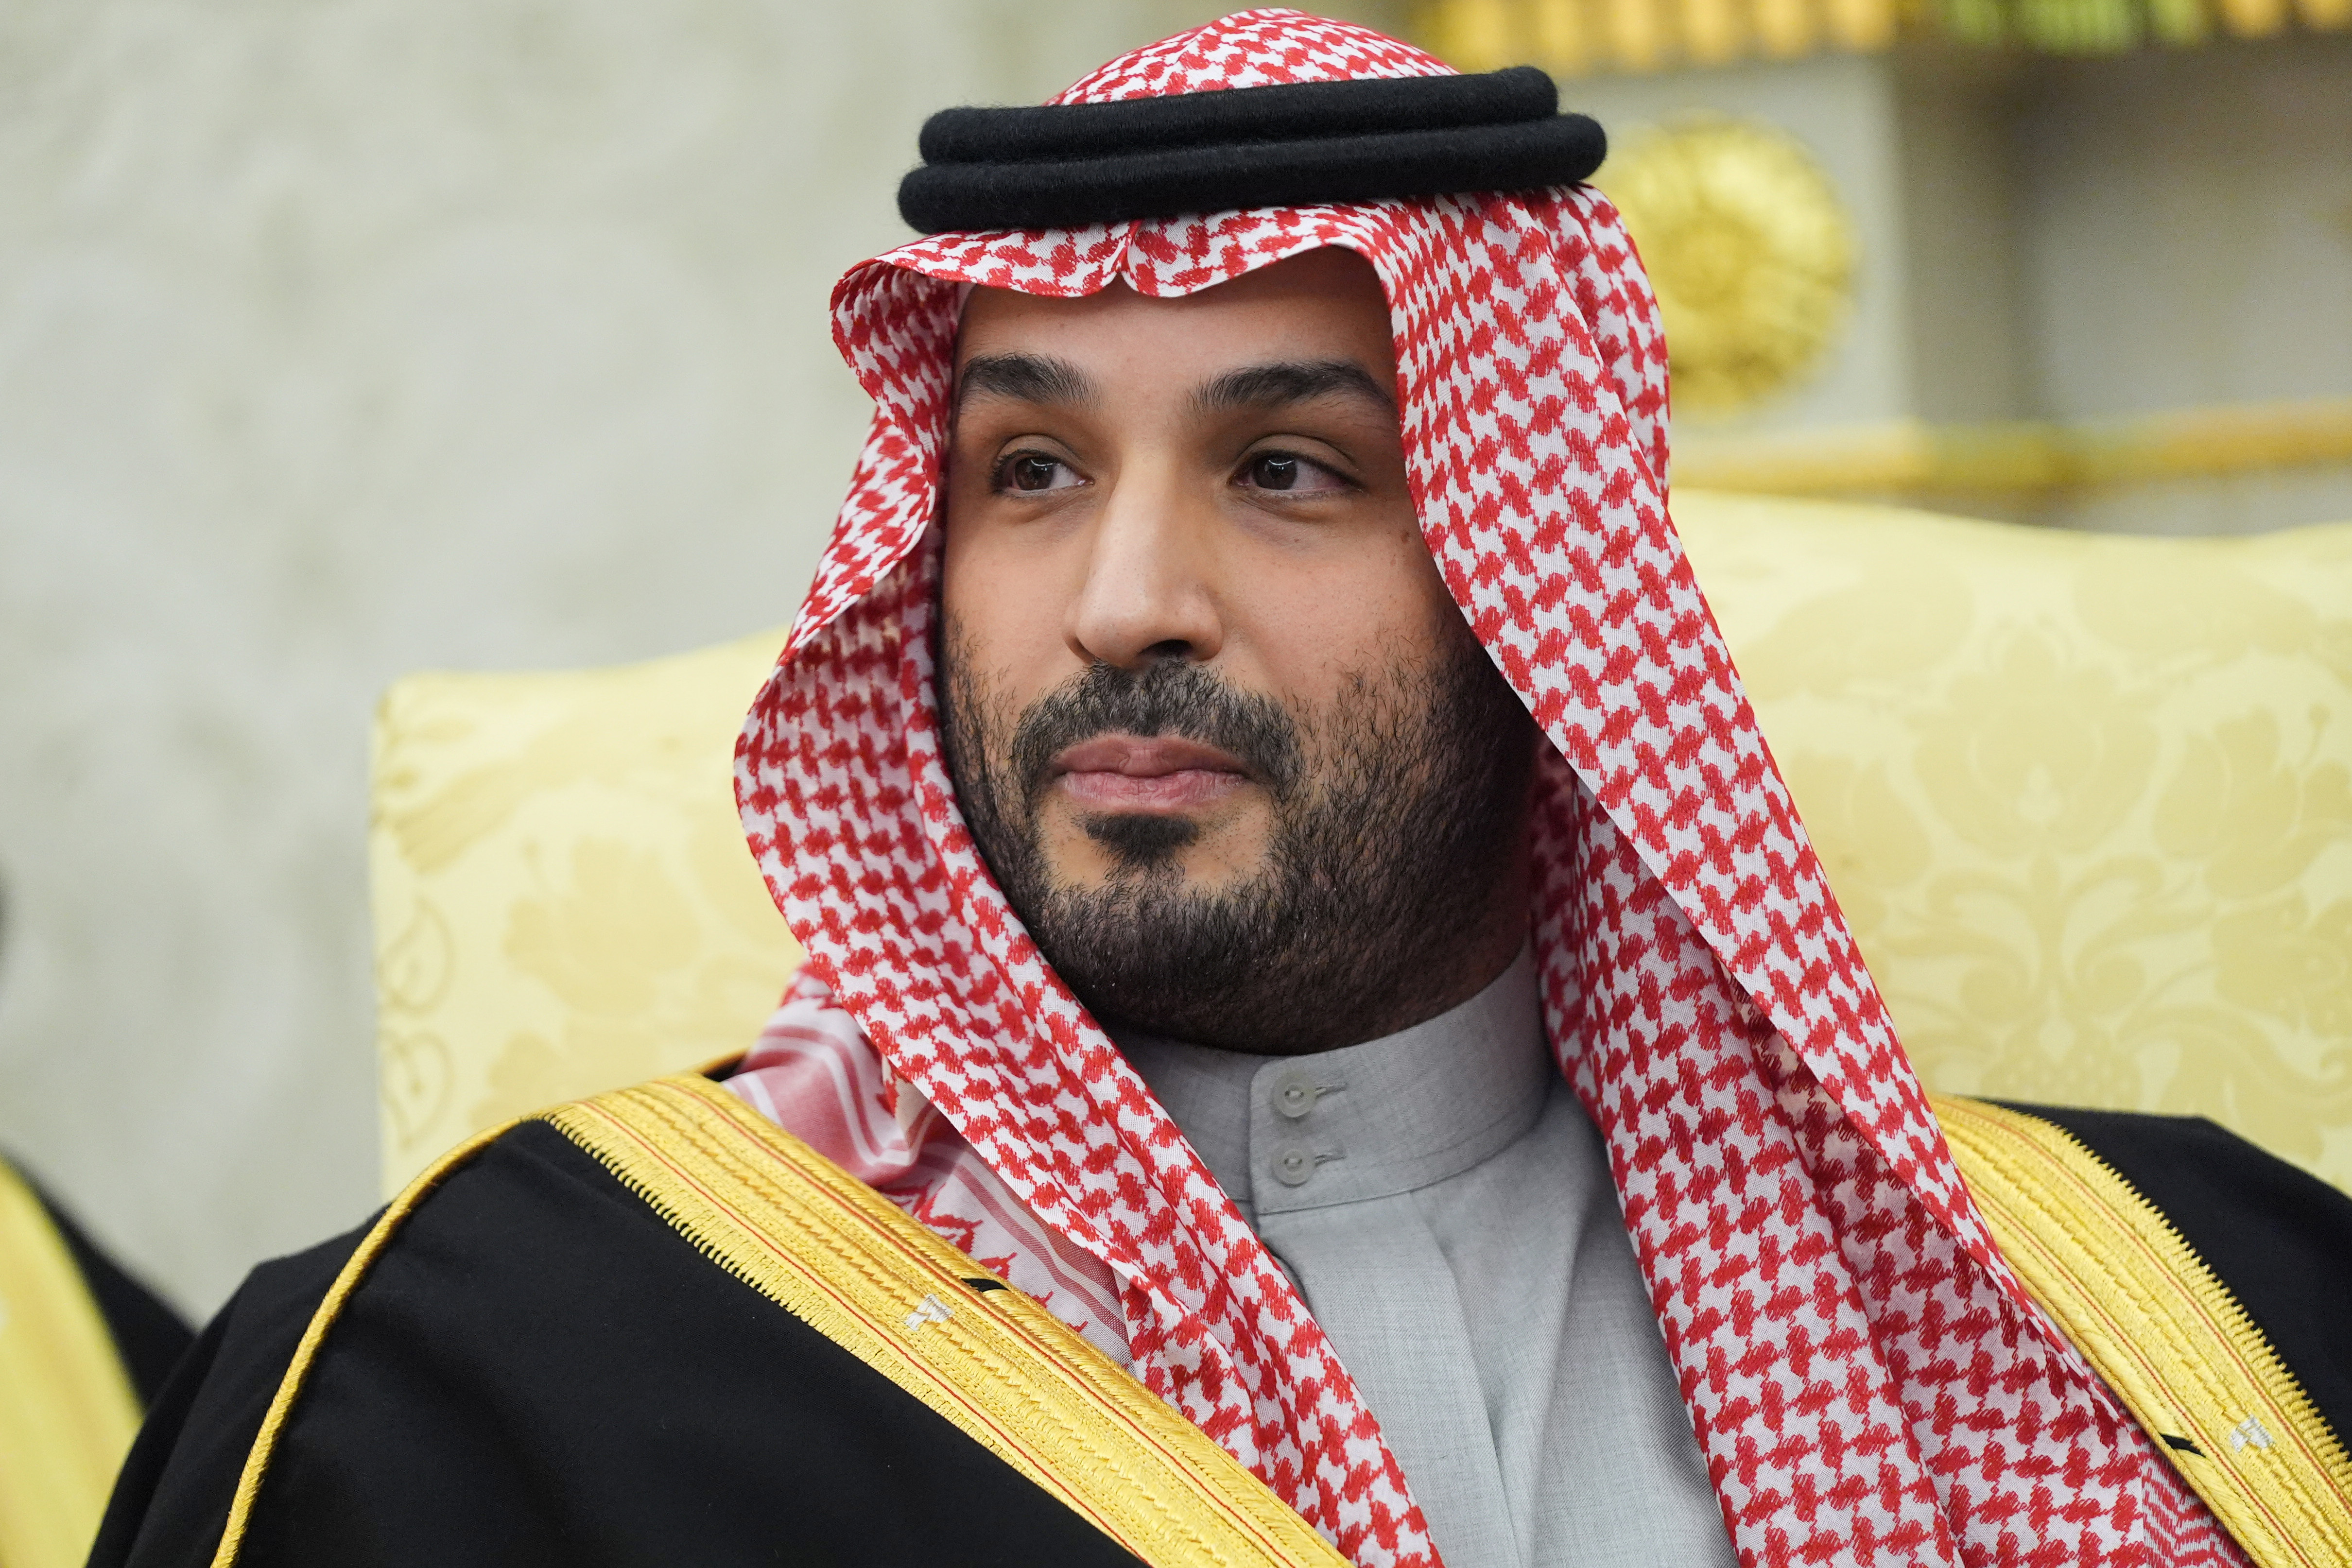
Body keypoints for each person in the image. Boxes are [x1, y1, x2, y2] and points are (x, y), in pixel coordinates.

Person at [90, 12, 2350, 1568]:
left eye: (1287, 470)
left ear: (1531, 586)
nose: (1121, 600)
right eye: (1032, 470)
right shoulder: (474, 1381)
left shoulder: (2194, 1322)